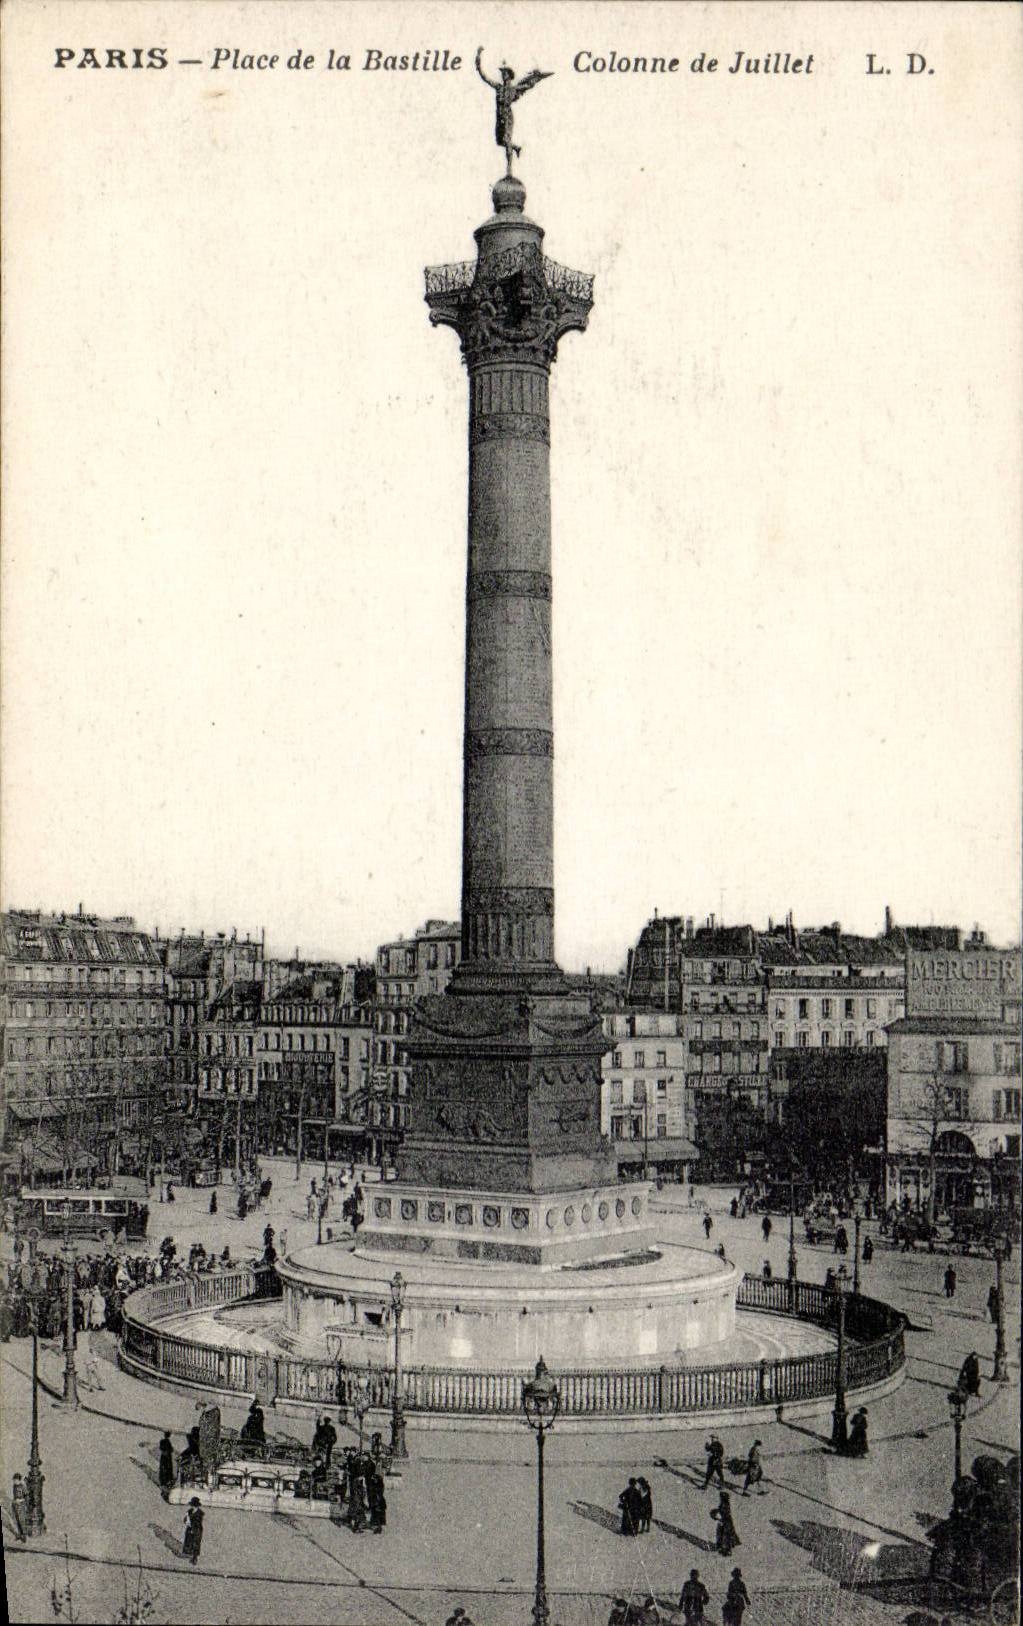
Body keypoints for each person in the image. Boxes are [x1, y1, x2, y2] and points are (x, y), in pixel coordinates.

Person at [711, 1490, 740, 1556]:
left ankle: (726, 1550)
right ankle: (724, 1548)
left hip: (725, 1524)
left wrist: (718, 1517)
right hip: (725, 1523)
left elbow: (724, 1514)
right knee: (724, 1536)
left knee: (724, 1537)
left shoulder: (724, 1505)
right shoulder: (724, 1504)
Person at [182, 1498, 204, 1565]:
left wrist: (193, 1529)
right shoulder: (189, 1511)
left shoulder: (200, 1513)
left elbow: (198, 1523)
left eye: (194, 1506)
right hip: (190, 1529)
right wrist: (186, 1519)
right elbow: (185, 1520)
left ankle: (195, 1558)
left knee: (196, 1544)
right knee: (189, 1542)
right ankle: (190, 1554)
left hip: (196, 1530)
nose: (193, 1507)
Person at [366, 1464, 387, 1533]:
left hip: (377, 1502)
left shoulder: (378, 1485)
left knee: (378, 1515)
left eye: (375, 1479)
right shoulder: (377, 1484)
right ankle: (376, 1525)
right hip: (377, 1501)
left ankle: (378, 1527)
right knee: (376, 1514)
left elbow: (378, 1492)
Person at [11, 1472, 29, 1541]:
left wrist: (21, 1500)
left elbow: (27, 1496)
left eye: (15, 1480)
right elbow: (15, 1495)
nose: (14, 1481)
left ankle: (24, 1536)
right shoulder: (14, 1486)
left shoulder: (23, 1487)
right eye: (14, 1480)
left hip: (21, 1506)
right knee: (17, 1521)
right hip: (15, 1505)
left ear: (19, 1480)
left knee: (22, 1521)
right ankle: (19, 1534)